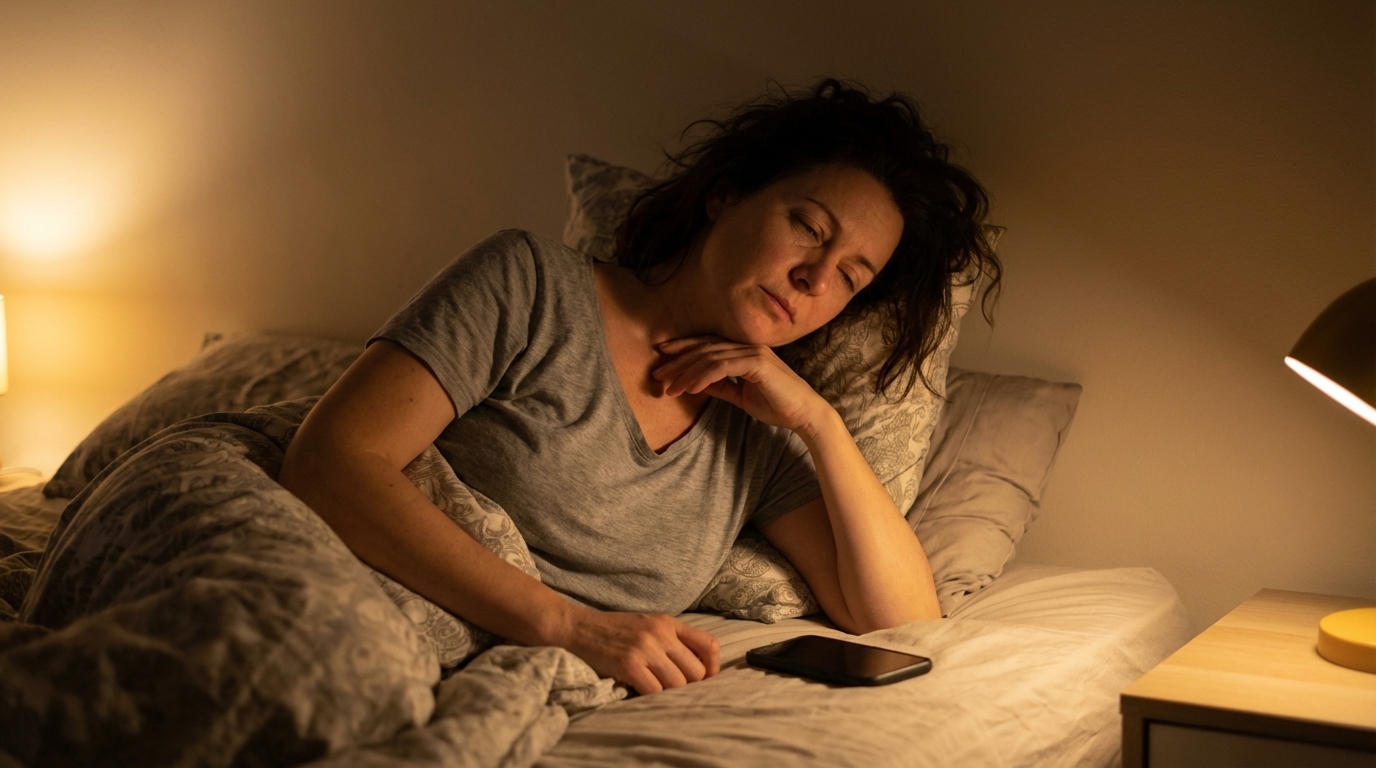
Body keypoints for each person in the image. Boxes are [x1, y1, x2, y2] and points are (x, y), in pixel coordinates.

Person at [277, 79, 1001, 696]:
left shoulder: (757, 433)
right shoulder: (530, 285)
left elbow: (904, 621)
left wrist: (820, 423)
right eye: (809, 227)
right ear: (726, 194)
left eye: (850, 276)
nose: (815, 278)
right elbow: (331, 460)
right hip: (331, 593)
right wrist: (569, 626)